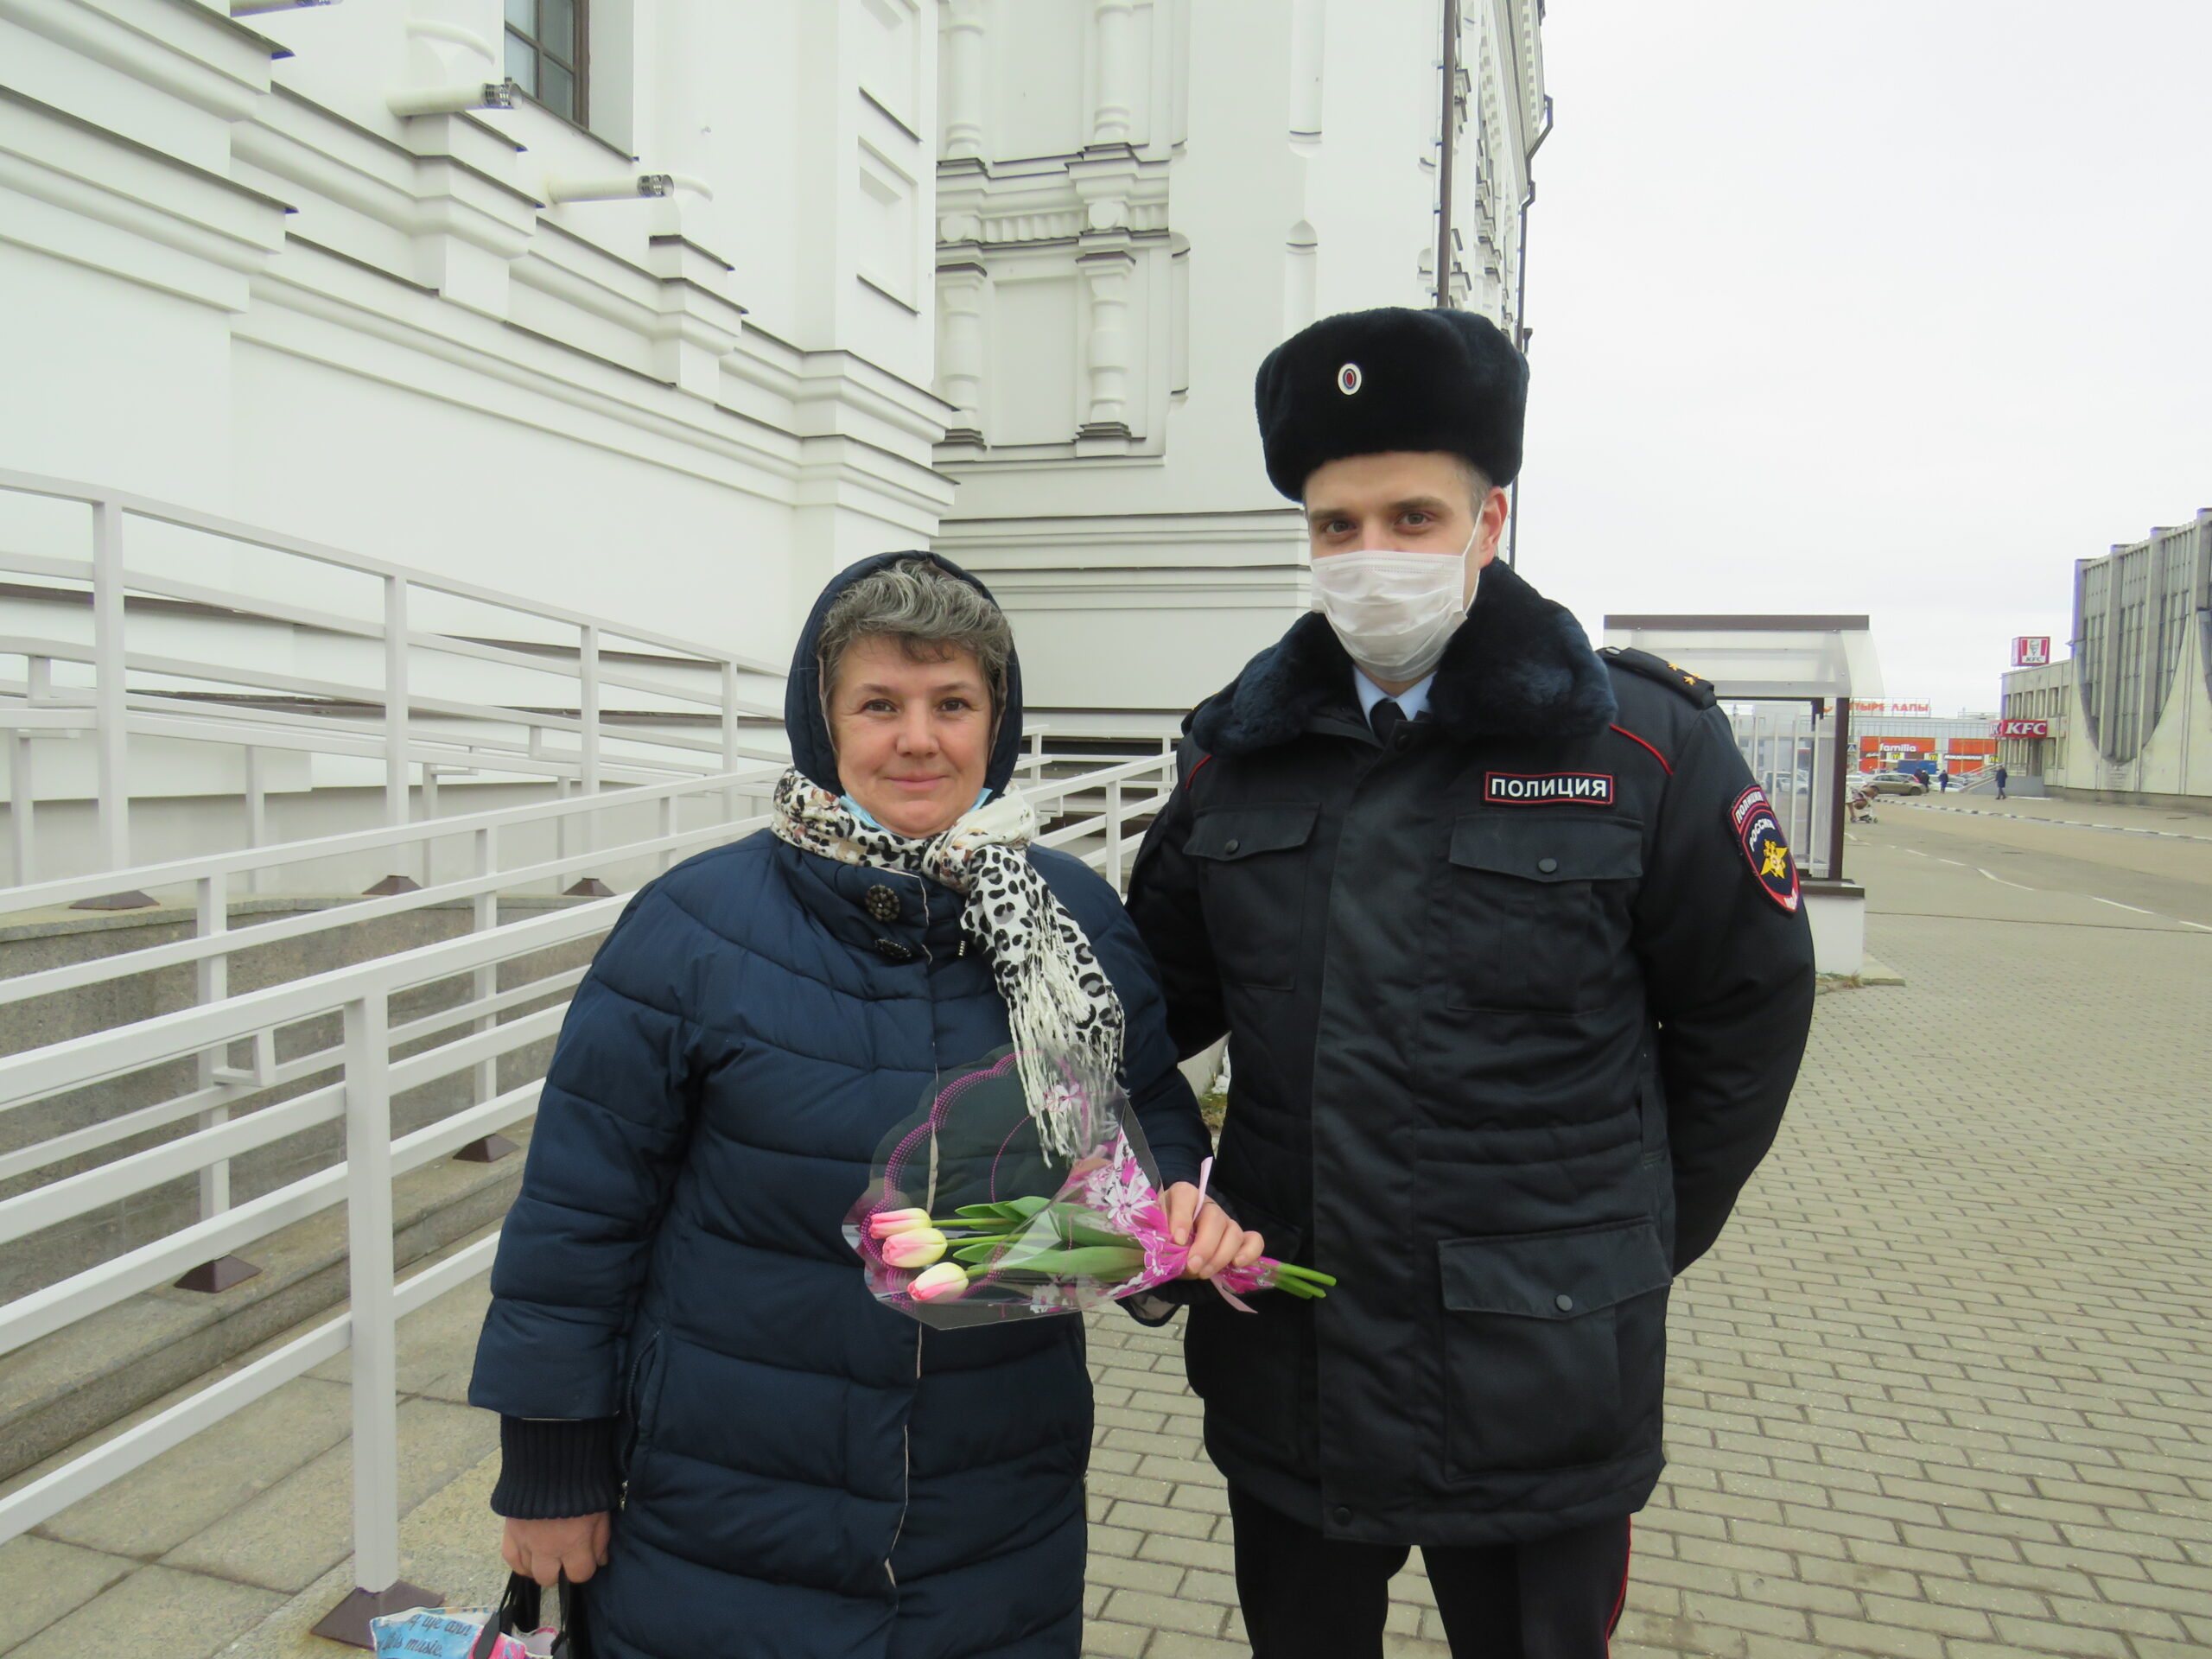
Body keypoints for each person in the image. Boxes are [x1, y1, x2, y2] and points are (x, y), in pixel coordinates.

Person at [1125, 306, 1818, 1659]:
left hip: (1538, 1379)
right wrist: (1156, 1184)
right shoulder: (1234, 760)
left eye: (1413, 518)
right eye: (1337, 525)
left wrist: (1622, 1242)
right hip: (1290, 1359)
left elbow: (1745, 1015)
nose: (1371, 555)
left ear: (1489, 521)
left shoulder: (1639, 747)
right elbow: (1141, 1013)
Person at [469, 554, 1257, 1657]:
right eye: (879, 705)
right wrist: (554, 1468)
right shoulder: (693, 928)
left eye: (952, 704)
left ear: (996, 723)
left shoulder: (1069, 915)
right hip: (728, 1497)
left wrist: (1171, 1203)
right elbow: (578, 1214)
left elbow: (1144, 1103)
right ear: (823, 722)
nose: (918, 740)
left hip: (994, 1499)